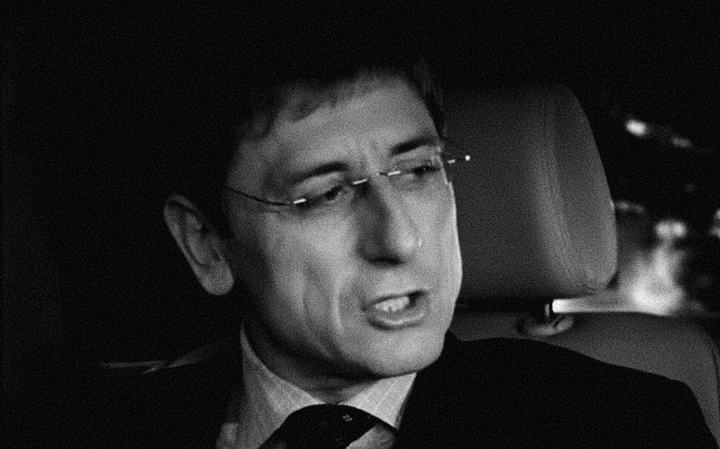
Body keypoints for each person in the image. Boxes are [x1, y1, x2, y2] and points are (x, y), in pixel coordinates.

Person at [21, 15, 716, 449]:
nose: (401, 240)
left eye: (417, 170)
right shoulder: (82, 432)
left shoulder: (627, 426)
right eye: (324, 194)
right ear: (207, 244)